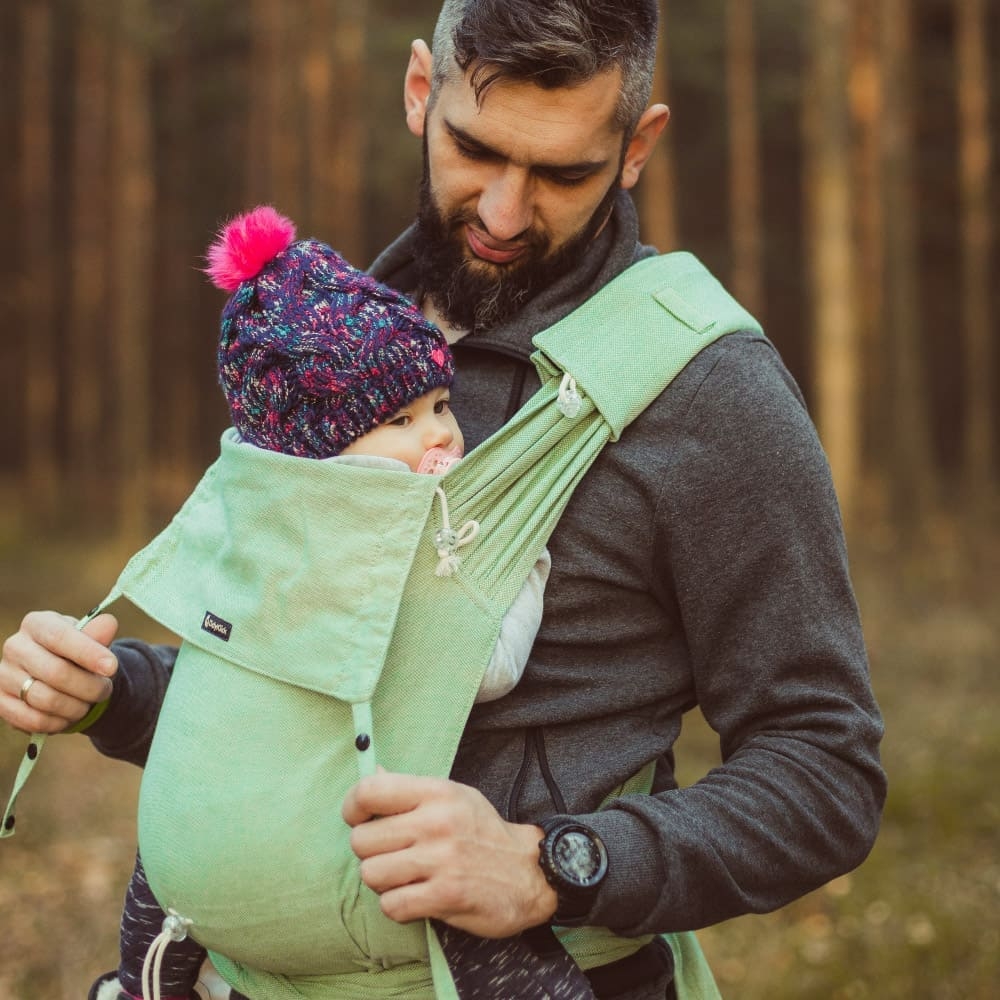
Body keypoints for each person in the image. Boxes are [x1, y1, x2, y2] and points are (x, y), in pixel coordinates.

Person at [0, 2, 886, 998]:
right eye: (476, 149)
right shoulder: (327, 352)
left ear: (637, 146)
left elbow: (824, 768)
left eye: (562, 173)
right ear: (421, 92)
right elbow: (301, 682)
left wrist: (557, 861)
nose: (504, 213)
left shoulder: (706, 390)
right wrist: (113, 690)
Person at [81, 203, 559, 1000]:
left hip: (196, 840)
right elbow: (490, 668)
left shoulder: (247, 529)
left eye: (440, 406)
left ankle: (134, 987)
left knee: (163, 893)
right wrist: (521, 557)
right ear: (317, 457)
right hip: (333, 850)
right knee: (487, 939)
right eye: (400, 423)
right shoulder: (387, 545)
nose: (439, 436)